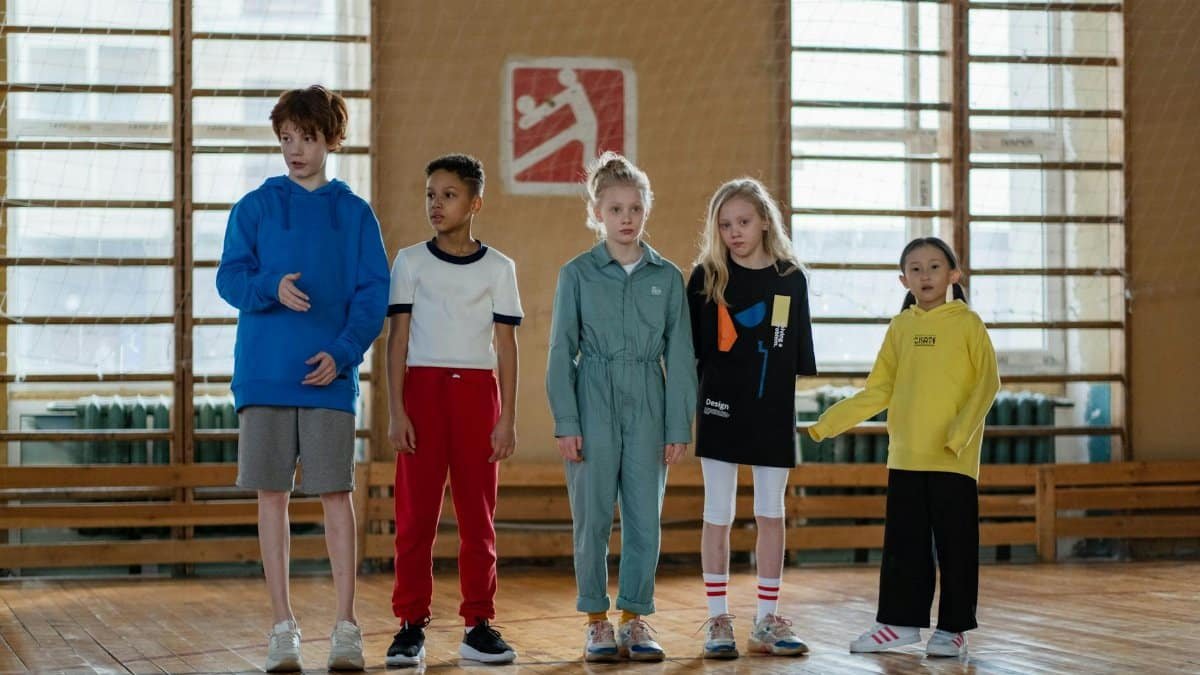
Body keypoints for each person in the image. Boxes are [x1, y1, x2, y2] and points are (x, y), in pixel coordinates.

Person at [216, 84, 388, 672]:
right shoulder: (256, 207)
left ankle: (347, 625)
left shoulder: (355, 214)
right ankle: (281, 627)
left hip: (328, 381)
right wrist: (269, 287)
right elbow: (229, 280)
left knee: (336, 496)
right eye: (286, 139)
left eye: (306, 138)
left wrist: (341, 354)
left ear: (331, 139)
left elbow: (373, 295)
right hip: (263, 378)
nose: (294, 150)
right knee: (272, 497)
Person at [808, 236, 1000, 658]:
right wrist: (826, 425)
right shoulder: (901, 328)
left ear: (954, 274)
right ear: (903, 279)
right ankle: (898, 624)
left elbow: (988, 384)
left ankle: (953, 629)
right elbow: (879, 390)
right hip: (907, 456)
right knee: (903, 545)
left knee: (956, 545)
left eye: (934, 266)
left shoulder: (968, 324)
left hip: (953, 459)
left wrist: (958, 435)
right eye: (915, 268)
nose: (925, 274)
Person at [545, 151, 697, 663]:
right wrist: (566, 420)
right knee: (591, 518)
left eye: (634, 208)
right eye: (615, 209)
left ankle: (635, 618)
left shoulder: (668, 277)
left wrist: (678, 425)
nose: (626, 218)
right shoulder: (578, 274)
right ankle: (595, 621)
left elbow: (680, 357)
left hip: (648, 401)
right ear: (597, 214)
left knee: (643, 518)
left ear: (646, 211)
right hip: (592, 397)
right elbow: (560, 350)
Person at [385, 153, 522, 666]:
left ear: (475, 202)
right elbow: (397, 340)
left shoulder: (499, 267)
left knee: (477, 519)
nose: (436, 205)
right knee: (415, 516)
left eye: (448, 195)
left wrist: (506, 416)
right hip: (421, 391)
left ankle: (479, 624)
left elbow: (507, 347)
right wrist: (397, 411)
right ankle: (409, 624)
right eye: (430, 195)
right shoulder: (409, 261)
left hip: (477, 397)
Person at [686, 178, 816, 659]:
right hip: (719, 411)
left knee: (770, 512)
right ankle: (718, 618)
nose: (734, 232)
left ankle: (766, 620)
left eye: (743, 222)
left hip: (771, 414)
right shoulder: (706, 277)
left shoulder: (790, 279)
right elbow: (693, 354)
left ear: (765, 220)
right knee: (718, 513)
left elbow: (791, 350)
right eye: (724, 224)